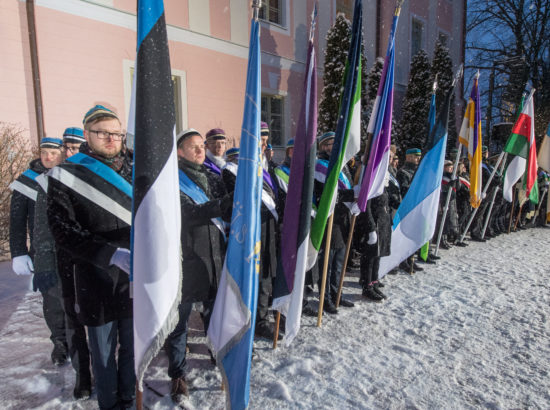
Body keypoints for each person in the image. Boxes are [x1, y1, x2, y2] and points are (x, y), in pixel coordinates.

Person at [47, 105, 135, 410]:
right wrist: (110, 253)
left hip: (133, 276)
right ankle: (110, 403)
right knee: (102, 352)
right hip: (94, 277)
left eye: (116, 133)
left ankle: (127, 398)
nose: (111, 139)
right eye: (102, 133)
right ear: (87, 134)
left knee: (132, 347)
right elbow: (63, 231)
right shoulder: (65, 174)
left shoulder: (135, 172)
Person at [167, 129, 232, 404]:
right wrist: (222, 205)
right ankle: (177, 373)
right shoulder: (171, 181)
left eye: (201, 146)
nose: (199, 151)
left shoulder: (215, 179)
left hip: (215, 257)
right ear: (180, 152)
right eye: (193, 147)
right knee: (179, 323)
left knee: (214, 315)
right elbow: (188, 213)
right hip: (186, 259)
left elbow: (228, 212)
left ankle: (217, 354)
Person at [38, 127, 92, 400]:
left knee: (94, 320)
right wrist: (39, 262)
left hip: (90, 260)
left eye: (75, 147)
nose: (70, 152)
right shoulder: (47, 181)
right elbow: (39, 227)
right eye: (66, 147)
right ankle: (82, 374)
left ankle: (100, 368)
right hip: (61, 260)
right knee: (67, 315)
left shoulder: (92, 178)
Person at [12, 137, 69, 367]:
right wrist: (18, 251)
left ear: (61, 154)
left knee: (74, 298)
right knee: (53, 301)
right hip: (43, 253)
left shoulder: (68, 176)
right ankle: (60, 343)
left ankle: (77, 341)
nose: (48, 157)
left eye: (53, 153)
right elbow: (16, 221)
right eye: (44, 152)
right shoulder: (27, 181)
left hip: (70, 250)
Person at [314, 132, 355, 314]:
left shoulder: (342, 165)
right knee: (327, 263)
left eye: (334, 143)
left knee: (339, 261)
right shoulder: (320, 166)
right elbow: (325, 196)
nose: (332, 147)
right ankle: (325, 298)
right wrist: (351, 195)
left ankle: (336, 293)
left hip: (343, 219)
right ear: (323, 147)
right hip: (329, 219)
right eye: (329, 144)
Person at [358, 171, 392, 301]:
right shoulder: (372, 187)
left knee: (377, 256)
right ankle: (367, 286)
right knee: (370, 258)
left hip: (382, 225)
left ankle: (374, 282)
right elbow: (367, 209)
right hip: (374, 227)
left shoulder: (383, 187)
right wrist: (371, 228)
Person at [396, 148, 423, 272]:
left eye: (419, 157)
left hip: (416, 207)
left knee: (414, 235)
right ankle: (403, 261)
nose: (418, 159)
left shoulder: (418, 172)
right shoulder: (403, 172)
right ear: (408, 157)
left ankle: (411, 258)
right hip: (407, 208)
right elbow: (403, 190)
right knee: (406, 236)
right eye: (415, 157)